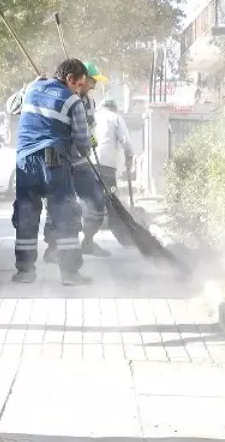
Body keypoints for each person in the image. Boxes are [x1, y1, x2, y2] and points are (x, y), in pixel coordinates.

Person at [11, 58, 94, 286]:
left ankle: (25, 272)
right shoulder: (73, 102)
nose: (79, 90)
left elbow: (10, 107)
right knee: (64, 216)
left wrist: (29, 84)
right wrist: (86, 150)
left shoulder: (31, 88)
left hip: (25, 161)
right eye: (79, 84)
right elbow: (81, 141)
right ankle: (69, 274)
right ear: (69, 79)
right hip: (54, 162)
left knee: (26, 215)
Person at [42, 60, 110, 261]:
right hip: (59, 160)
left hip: (81, 161)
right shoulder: (61, 98)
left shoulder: (89, 102)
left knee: (97, 201)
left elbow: (90, 130)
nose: (94, 86)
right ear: (81, 80)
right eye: (92, 81)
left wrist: (91, 139)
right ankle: (53, 248)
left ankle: (88, 241)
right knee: (59, 204)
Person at [94, 98, 135, 247]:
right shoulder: (115, 118)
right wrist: (129, 156)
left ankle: (87, 239)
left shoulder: (93, 116)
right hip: (106, 167)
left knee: (91, 200)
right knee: (111, 201)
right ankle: (124, 238)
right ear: (114, 108)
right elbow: (125, 140)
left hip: (88, 164)